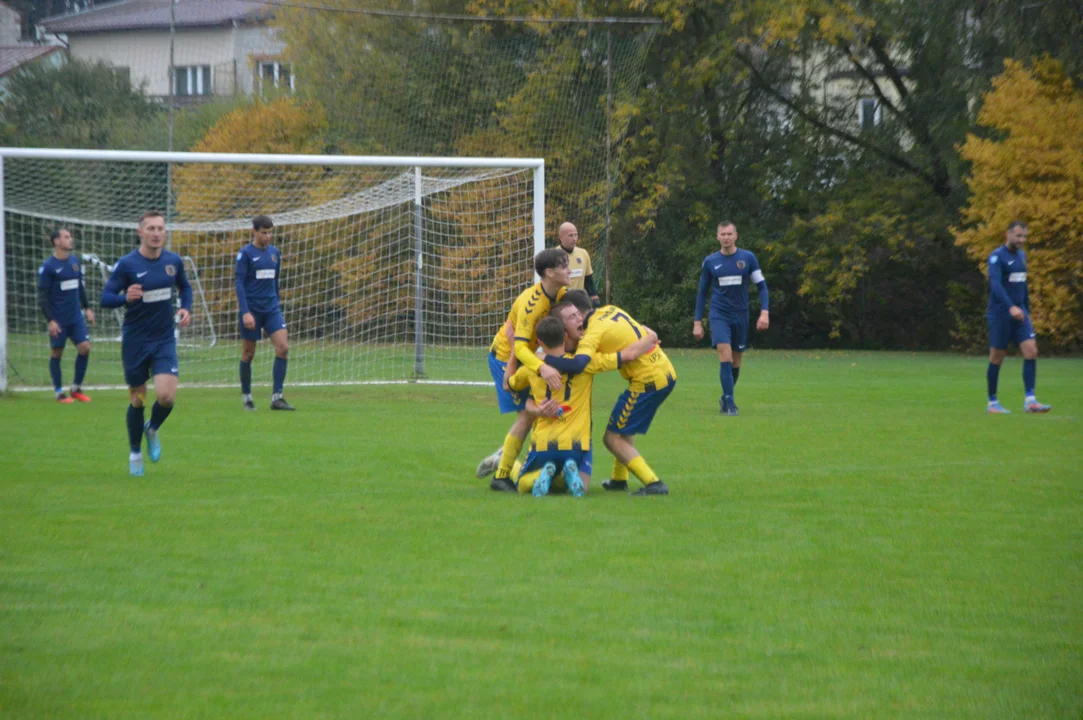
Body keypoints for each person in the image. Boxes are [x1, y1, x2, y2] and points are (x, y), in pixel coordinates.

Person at [504, 314, 658, 496]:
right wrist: (650, 338)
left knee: (521, 483)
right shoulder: (587, 364)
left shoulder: (532, 368)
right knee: (568, 486)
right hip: (577, 446)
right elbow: (626, 355)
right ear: (565, 336)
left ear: (539, 341)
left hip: (544, 444)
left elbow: (508, 384)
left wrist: (515, 348)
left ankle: (539, 475)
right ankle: (564, 473)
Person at [542, 290, 676, 496]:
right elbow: (644, 334)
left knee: (612, 438)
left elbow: (579, 364)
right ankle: (619, 479)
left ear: (577, 312)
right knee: (624, 428)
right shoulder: (610, 310)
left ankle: (654, 483)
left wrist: (545, 361)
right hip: (663, 369)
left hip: (648, 379)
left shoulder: (592, 332)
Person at [101, 211, 192, 476]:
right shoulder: (127, 265)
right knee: (138, 399)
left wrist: (186, 308)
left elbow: (185, 288)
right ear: (140, 232)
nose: (156, 233)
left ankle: (152, 429)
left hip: (164, 339)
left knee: (166, 396)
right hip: (136, 341)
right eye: (151, 228)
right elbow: (106, 297)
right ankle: (134, 452)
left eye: (160, 228)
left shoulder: (173, 262)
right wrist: (124, 298)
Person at [475, 248, 569, 492]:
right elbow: (519, 346)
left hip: (530, 358)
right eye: (564, 266)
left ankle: (510, 460)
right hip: (507, 358)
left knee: (540, 412)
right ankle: (502, 474)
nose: (569, 269)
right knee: (528, 414)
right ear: (549, 272)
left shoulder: (560, 293)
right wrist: (543, 368)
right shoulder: (531, 304)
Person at [692, 221, 769, 416]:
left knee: (736, 362)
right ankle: (730, 403)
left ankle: (725, 396)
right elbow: (702, 293)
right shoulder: (710, 261)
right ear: (717, 237)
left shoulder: (748, 258)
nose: (726, 237)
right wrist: (697, 322)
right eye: (722, 234)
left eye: (729, 234)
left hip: (741, 315)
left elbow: (761, 286)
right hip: (719, 314)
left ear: (736, 236)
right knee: (724, 354)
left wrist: (764, 312)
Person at [985, 220, 1051, 414]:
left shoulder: (1022, 256)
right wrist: (1010, 307)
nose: (1021, 240)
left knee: (1031, 351)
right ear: (1008, 234)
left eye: (1024, 236)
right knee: (997, 357)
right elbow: (995, 286)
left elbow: (1021, 287)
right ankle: (992, 403)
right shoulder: (997, 257)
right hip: (1000, 314)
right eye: (1018, 236)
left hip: (1020, 313)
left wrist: (1025, 309)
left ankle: (1030, 401)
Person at [236, 214, 294, 411]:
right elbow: (239, 284)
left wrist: (276, 304)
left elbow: (274, 282)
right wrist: (245, 312)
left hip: (271, 310)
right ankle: (247, 397)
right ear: (254, 232)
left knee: (283, 348)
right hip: (251, 311)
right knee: (248, 353)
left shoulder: (274, 254)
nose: (268, 236)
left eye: (270, 233)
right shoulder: (245, 254)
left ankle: (277, 397)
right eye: (264, 233)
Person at [37, 228, 94, 402]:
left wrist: (87, 308)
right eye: (66, 237)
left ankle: (76, 388)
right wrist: (51, 320)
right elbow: (42, 296)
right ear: (56, 241)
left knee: (85, 347)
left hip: (75, 316)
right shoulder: (48, 267)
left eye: (70, 237)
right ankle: (59, 393)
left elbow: (80, 287)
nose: (71, 240)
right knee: (57, 352)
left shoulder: (75, 262)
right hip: (58, 318)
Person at [557, 222, 601, 307]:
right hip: (560, 303)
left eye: (576, 235)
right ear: (561, 237)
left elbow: (588, 279)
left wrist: (594, 298)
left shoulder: (583, 253)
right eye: (570, 235)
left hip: (580, 302)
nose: (574, 238)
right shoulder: (554, 255)